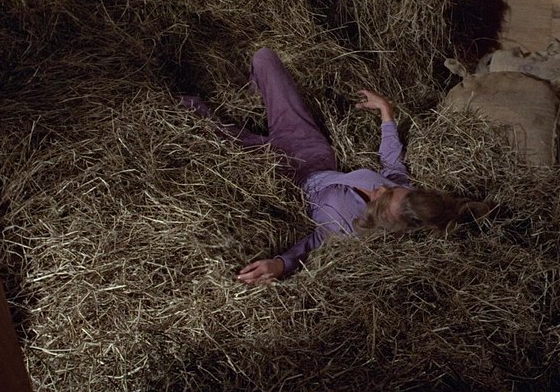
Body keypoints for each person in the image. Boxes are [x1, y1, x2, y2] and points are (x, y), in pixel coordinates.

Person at [183, 48, 489, 286]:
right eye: (391, 188)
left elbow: (312, 244)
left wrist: (279, 264)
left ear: (386, 219)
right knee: (265, 58)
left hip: (277, 173)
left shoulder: (350, 227)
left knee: (190, 112)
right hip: (311, 153)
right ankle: (251, 95)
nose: (380, 187)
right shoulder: (400, 192)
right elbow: (393, 163)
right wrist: (386, 112)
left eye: (382, 196)